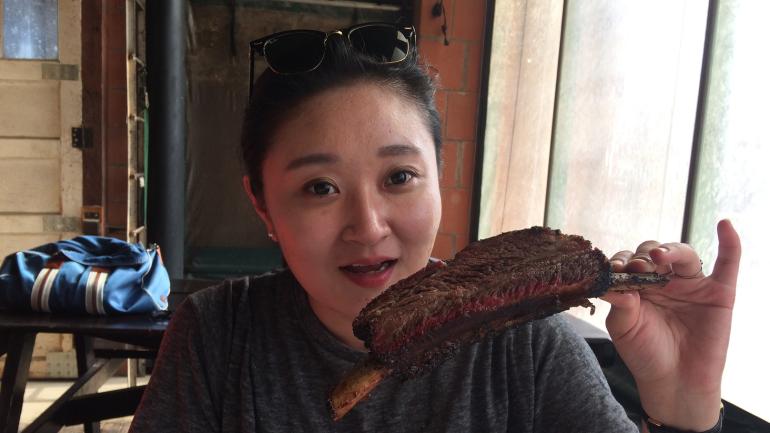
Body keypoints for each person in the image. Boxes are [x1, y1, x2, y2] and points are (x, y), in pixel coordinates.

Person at [128, 22, 741, 433]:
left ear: (439, 179)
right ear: (262, 206)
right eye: (320, 187)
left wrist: (683, 411)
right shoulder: (218, 336)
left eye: (399, 176)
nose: (369, 226)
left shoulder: (526, 346)